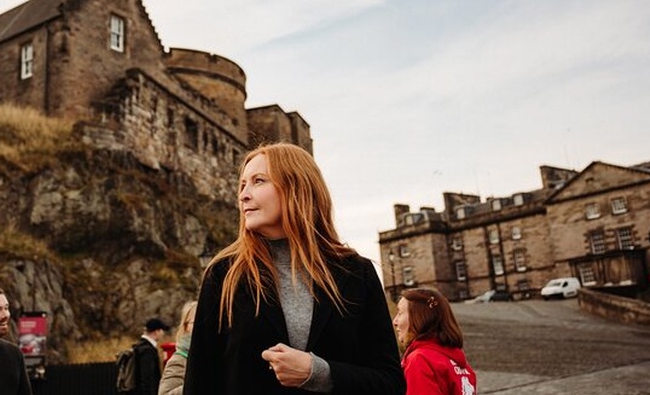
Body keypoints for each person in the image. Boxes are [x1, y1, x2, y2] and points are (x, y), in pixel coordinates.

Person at [183, 143, 406, 395]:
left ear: (297, 187)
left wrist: (318, 372)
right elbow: (200, 382)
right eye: (242, 184)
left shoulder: (356, 273)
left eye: (258, 181)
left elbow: (390, 382)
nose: (243, 194)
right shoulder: (224, 273)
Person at [392, 287, 477, 395]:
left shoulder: (420, 360)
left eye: (400, 313)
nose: (395, 321)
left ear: (419, 318)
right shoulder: (459, 364)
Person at [158, 301, 198, 395]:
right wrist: (196, 385)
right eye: (195, 322)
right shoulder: (180, 359)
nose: (201, 326)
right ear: (185, 327)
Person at [135, 317, 170, 395]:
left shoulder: (139, 346)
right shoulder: (148, 350)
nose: (163, 333)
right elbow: (148, 379)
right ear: (156, 331)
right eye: (162, 330)